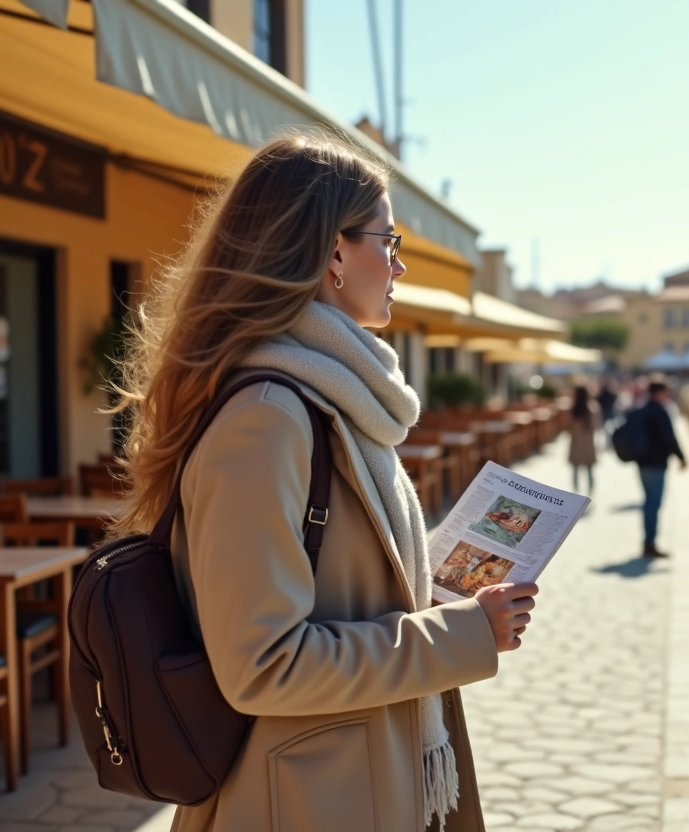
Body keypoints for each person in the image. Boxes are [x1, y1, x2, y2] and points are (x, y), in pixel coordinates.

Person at [111, 133, 537, 832]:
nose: (399, 263)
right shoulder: (268, 418)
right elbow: (263, 664)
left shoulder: (332, 398)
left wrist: (436, 592)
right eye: (388, 240)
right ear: (334, 253)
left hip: (347, 778)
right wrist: (460, 633)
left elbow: (331, 585)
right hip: (302, 797)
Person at [633, 377, 685, 557]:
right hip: (656, 464)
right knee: (653, 504)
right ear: (659, 392)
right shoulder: (660, 412)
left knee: (648, 502)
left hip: (642, 463)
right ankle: (650, 542)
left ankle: (648, 541)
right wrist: (681, 457)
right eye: (666, 391)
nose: (669, 394)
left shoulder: (642, 409)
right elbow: (670, 438)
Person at [568, 384, 601, 493]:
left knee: (575, 471)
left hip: (576, 443)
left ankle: (575, 494)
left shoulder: (573, 409)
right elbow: (597, 425)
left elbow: (567, 427)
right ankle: (590, 494)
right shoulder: (593, 408)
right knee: (589, 470)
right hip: (588, 444)